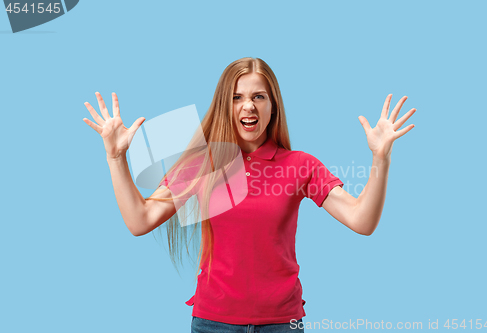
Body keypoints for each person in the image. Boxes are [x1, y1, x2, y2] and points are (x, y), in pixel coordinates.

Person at [82, 57, 416, 332]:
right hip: (214, 323)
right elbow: (140, 219)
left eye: (259, 96)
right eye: (237, 97)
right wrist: (115, 158)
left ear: (273, 105)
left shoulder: (301, 165)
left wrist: (380, 159)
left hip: (283, 323)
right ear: (225, 105)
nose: (248, 106)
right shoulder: (204, 163)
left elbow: (362, 220)